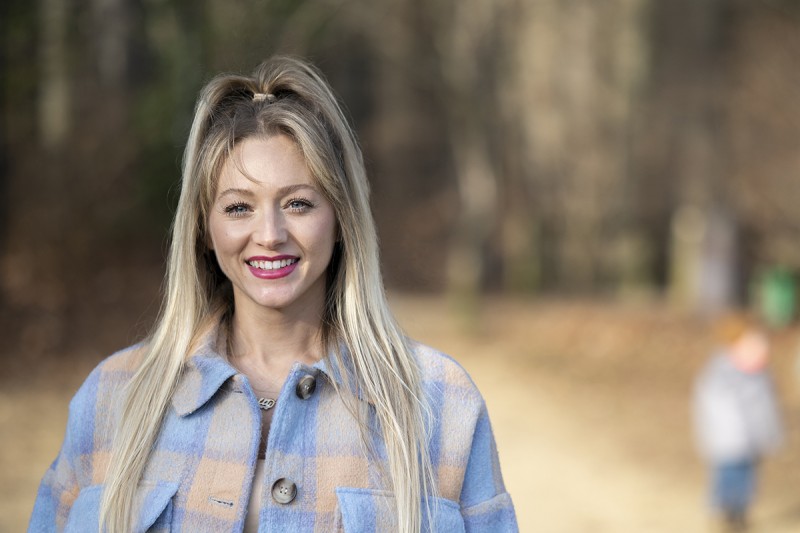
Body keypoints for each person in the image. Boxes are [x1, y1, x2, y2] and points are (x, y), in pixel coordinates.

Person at [28, 56, 517, 532]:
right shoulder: (111, 399)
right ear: (203, 228)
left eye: (298, 203)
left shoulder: (440, 402)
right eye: (238, 208)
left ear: (341, 220)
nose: (269, 234)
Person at [692, 313, 783, 532]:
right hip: (730, 438)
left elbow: (767, 410)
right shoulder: (720, 373)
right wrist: (730, 433)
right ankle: (724, 510)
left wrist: (771, 435)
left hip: (752, 439)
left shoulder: (760, 375)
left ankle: (740, 510)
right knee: (728, 474)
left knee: (748, 476)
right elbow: (715, 407)